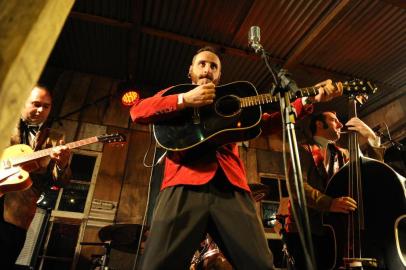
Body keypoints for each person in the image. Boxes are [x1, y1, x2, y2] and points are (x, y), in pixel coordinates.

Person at [130, 46, 342, 270]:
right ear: (190, 70)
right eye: (202, 64)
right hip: (183, 183)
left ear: (219, 75)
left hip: (231, 188)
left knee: (260, 263)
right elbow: (137, 112)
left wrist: (307, 100)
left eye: (214, 66)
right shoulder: (175, 92)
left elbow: (267, 123)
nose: (207, 69)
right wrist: (184, 99)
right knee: (156, 265)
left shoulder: (234, 101)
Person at [285, 111, 385, 270]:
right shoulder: (303, 150)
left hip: (334, 232)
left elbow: (374, 173)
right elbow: (296, 186)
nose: (340, 124)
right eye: (334, 120)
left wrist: (372, 139)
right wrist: (329, 203)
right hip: (305, 230)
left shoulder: (344, 153)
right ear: (319, 124)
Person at [0, 85, 72, 269]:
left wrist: (62, 164)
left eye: (46, 106)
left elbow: (60, 181)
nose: (41, 110)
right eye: (36, 104)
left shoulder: (55, 139)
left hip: (17, 215)